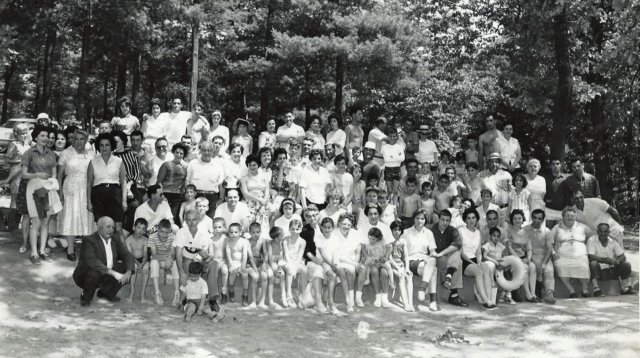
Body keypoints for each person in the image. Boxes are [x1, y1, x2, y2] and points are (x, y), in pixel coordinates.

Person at [20, 125, 61, 264]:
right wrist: (36, 174)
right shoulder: (29, 153)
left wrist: (52, 182)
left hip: (49, 188)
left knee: (46, 222)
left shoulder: (51, 153)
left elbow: (54, 172)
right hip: (34, 188)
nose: (46, 139)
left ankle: (42, 251)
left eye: (47, 136)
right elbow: (24, 174)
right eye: (42, 136)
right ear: (36, 137)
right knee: (36, 222)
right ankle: (34, 253)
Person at [73, 217, 134, 306]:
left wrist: (129, 271)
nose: (111, 230)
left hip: (106, 272)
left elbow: (126, 255)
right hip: (85, 275)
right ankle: (85, 297)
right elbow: (93, 262)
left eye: (113, 227)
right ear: (100, 227)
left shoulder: (115, 238)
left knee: (126, 268)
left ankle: (106, 293)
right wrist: (114, 274)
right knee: (94, 273)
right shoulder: (89, 240)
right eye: (108, 226)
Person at [56, 129, 95, 261]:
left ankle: (86, 250)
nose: (78, 142)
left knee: (86, 218)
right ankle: (71, 250)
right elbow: (59, 175)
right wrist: (60, 193)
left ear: (86, 140)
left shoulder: (91, 154)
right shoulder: (66, 153)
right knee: (70, 217)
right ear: (72, 140)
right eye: (76, 139)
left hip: (86, 188)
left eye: (82, 139)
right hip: (70, 188)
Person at [175, 210, 220, 312]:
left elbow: (206, 253)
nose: (191, 223)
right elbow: (178, 254)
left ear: (198, 220)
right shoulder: (181, 232)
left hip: (200, 259)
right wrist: (181, 272)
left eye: (194, 220)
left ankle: (212, 299)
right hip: (187, 260)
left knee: (213, 264)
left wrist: (208, 259)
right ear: (185, 221)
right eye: (189, 220)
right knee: (187, 263)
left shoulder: (204, 232)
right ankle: (187, 299)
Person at [548, 207, 593, 298]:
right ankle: (571, 290)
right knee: (560, 265)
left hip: (580, 256)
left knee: (583, 266)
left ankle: (585, 289)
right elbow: (548, 241)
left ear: (576, 217)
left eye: (572, 215)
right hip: (562, 256)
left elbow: (594, 236)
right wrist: (553, 252)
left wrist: (590, 249)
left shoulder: (582, 226)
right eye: (567, 215)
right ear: (563, 217)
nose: (570, 217)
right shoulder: (557, 228)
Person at [458, 208, 495, 309]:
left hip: (474, 259)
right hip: (464, 260)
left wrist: (479, 261)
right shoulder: (461, 231)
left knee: (486, 267)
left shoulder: (478, 232)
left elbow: (478, 251)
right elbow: (461, 253)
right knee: (478, 271)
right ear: (465, 220)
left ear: (476, 219)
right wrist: (473, 263)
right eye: (468, 218)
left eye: (473, 218)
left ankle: (490, 300)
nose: (471, 220)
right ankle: (485, 301)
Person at [404, 210, 439, 311]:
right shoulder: (406, 232)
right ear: (414, 219)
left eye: (422, 218)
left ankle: (422, 289)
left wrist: (432, 257)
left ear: (425, 220)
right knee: (434, 270)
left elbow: (432, 251)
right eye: (417, 218)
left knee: (432, 261)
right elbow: (402, 251)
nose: (420, 221)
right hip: (411, 261)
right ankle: (432, 300)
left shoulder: (429, 233)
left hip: (425, 261)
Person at [0, 122, 30, 236]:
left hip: (26, 173)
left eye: (26, 133)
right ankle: (11, 222)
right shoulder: (13, 144)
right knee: (15, 197)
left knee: (24, 198)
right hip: (15, 174)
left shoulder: (28, 145)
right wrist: (19, 161)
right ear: (16, 134)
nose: (25, 135)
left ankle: (20, 222)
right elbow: (7, 159)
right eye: (22, 133)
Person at [587, 223, 634, 296]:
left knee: (626, 264)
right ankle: (596, 289)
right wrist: (606, 260)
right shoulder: (591, 240)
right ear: (597, 231)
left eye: (605, 231)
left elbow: (622, 256)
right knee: (593, 263)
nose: (603, 233)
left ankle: (624, 288)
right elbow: (591, 256)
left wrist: (617, 261)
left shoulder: (612, 241)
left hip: (611, 270)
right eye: (601, 231)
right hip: (598, 271)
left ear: (608, 232)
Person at [431, 210, 466, 306]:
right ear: (438, 219)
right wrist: (437, 254)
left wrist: (442, 253)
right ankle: (453, 294)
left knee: (457, 255)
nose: (445, 223)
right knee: (457, 261)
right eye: (442, 220)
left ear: (450, 221)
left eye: (447, 220)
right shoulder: (431, 229)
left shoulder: (452, 230)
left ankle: (448, 276)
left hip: (447, 257)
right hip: (434, 257)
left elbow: (458, 244)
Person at [506, 209, 539, 303]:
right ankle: (527, 294)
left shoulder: (526, 232)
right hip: (512, 258)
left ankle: (533, 293)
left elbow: (529, 248)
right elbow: (509, 247)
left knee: (532, 266)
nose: (517, 220)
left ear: (522, 219)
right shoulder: (509, 231)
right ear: (512, 220)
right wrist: (518, 259)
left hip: (523, 257)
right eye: (515, 218)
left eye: (519, 218)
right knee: (524, 267)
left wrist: (528, 258)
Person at [332, 213, 363, 313]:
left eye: (349, 225)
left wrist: (356, 263)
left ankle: (351, 299)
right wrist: (353, 264)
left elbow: (358, 251)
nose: (346, 227)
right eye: (344, 224)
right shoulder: (334, 233)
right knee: (347, 270)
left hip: (352, 261)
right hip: (338, 260)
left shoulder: (355, 233)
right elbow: (336, 255)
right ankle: (349, 300)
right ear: (339, 223)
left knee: (352, 270)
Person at [525, 209, 556, 304]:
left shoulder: (547, 231)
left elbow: (549, 249)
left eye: (539, 218)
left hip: (544, 256)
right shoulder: (525, 230)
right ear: (531, 217)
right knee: (534, 267)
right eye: (534, 217)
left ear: (543, 220)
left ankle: (549, 294)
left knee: (549, 271)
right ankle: (532, 294)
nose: (536, 220)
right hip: (530, 255)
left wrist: (543, 263)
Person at [187, 141, 225, 216]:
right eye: (204, 150)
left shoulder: (218, 166)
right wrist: (189, 196)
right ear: (200, 150)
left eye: (209, 150)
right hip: (195, 196)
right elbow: (187, 180)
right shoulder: (193, 163)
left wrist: (221, 199)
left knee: (210, 222)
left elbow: (221, 184)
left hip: (212, 198)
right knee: (194, 220)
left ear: (213, 151)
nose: (206, 152)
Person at [148, 219, 180, 306]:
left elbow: (173, 253)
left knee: (176, 265)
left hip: (168, 258)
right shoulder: (152, 237)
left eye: (167, 232)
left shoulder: (172, 237)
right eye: (162, 232)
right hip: (157, 259)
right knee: (154, 263)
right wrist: (164, 261)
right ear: (158, 229)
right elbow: (154, 254)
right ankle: (157, 293)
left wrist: (170, 259)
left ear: (170, 231)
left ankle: (177, 293)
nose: (164, 235)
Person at [156, 143, 189, 224]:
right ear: (173, 152)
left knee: (173, 218)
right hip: (165, 195)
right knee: (162, 218)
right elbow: (159, 181)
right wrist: (162, 196)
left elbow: (185, 182)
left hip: (178, 196)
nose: (179, 155)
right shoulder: (166, 164)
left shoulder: (185, 167)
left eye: (181, 153)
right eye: (177, 152)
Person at [362, 227, 393, 308]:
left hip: (381, 260)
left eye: (373, 239)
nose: (371, 241)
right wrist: (369, 258)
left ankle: (385, 295)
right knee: (373, 270)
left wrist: (386, 256)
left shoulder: (382, 242)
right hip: (374, 262)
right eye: (370, 238)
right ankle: (377, 297)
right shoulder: (368, 244)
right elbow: (365, 250)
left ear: (378, 239)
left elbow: (390, 247)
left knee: (385, 271)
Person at [239, 154, 271, 232]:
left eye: (254, 165)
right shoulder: (244, 178)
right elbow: (246, 194)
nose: (252, 167)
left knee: (263, 224)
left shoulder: (264, 176)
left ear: (258, 165)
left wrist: (263, 202)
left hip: (263, 202)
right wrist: (259, 199)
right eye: (250, 165)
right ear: (247, 165)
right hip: (250, 201)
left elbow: (267, 191)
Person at [479, 152, 512, 222]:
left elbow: (512, 193)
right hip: (488, 209)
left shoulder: (507, 175)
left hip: (504, 210)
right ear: (488, 163)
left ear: (499, 163)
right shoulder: (481, 175)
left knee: (503, 231)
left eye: (496, 162)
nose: (494, 164)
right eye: (492, 162)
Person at [389, 221, 414, 312]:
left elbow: (406, 256)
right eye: (395, 230)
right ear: (391, 230)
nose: (397, 232)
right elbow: (390, 258)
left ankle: (410, 303)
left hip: (401, 265)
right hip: (392, 266)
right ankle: (405, 303)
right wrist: (398, 268)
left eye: (399, 230)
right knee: (401, 277)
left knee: (409, 276)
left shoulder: (403, 241)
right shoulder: (389, 242)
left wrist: (407, 268)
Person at [124, 218, 150, 302]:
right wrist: (138, 264)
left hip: (143, 259)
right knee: (133, 267)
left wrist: (142, 263)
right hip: (133, 259)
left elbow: (146, 254)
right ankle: (132, 291)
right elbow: (130, 255)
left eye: (143, 229)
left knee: (146, 268)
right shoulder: (128, 240)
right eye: (138, 227)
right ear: (133, 227)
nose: (140, 230)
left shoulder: (145, 240)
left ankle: (143, 293)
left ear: (145, 231)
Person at [225, 223, 250, 305]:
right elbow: (228, 254)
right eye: (231, 232)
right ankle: (231, 291)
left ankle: (245, 295)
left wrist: (243, 265)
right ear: (229, 233)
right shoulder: (228, 242)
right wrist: (231, 265)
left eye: (236, 232)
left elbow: (244, 254)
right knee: (232, 273)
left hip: (242, 262)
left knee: (245, 274)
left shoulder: (244, 241)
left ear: (240, 232)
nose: (233, 234)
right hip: (233, 262)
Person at [481, 227, 506, 307]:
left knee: (504, 270)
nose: (496, 238)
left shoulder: (500, 246)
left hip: (498, 263)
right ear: (490, 236)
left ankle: (506, 293)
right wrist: (494, 261)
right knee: (491, 266)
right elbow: (484, 256)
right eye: (494, 235)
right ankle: (491, 282)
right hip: (489, 262)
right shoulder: (487, 245)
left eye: (498, 236)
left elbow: (503, 256)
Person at [544, 157, 570, 229]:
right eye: (553, 164)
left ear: (561, 165)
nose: (555, 166)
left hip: (562, 210)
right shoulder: (546, 179)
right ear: (550, 166)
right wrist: (546, 199)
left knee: (559, 232)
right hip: (549, 209)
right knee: (549, 231)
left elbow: (570, 192)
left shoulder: (566, 178)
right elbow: (543, 192)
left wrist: (567, 205)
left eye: (557, 164)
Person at [381, 127, 405, 202]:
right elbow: (386, 159)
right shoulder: (384, 147)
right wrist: (396, 156)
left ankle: (394, 207)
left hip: (397, 169)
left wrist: (392, 156)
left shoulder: (399, 146)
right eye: (390, 136)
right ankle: (388, 205)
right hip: (388, 169)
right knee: (389, 190)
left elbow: (402, 158)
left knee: (395, 191)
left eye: (394, 136)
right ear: (388, 136)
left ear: (396, 137)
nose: (392, 138)